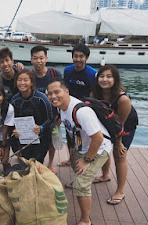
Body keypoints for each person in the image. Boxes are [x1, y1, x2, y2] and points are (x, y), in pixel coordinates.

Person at [47, 77, 112, 225]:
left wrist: (86, 160)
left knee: (80, 184)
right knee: (76, 166)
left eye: (57, 92)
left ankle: (85, 220)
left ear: (66, 91)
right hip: (83, 145)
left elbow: (98, 139)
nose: (53, 96)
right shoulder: (61, 107)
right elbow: (71, 128)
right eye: (49, 93)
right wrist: (72, 146)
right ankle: (84, 185)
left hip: (99, 148)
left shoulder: (82, 112)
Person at [90, 64, 138, 205]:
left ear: (115, 79)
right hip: (107, 123)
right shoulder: (95, 95)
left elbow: (120, 125)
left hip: (125, 126)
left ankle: (120, 191)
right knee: (104, 149)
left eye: (109, 76)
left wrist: (118, 142)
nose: (105, 79)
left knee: (119, 156)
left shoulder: (123, 99)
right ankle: (105, 175)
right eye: (102, 76)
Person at [60, 44, 97, 167]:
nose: (78, 59)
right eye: (75, 56)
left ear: (86, 58)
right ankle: (71, 159)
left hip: (85, 110)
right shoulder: (68, 70)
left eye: (81, 56)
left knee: (87, 138)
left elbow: (94, 94)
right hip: (70, 108)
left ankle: (91, 162)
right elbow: (65, 89)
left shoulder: (92, 74)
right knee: (70, 134)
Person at [31, 45, 63, 171]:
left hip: (53, 113)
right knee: (36, 138)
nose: (38, 61)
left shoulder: (55, 73)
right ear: (31, 60)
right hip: (35, 113)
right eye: (35, 58)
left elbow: (62, 94)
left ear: (46, 58)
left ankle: (50, 163)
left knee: (51, 140)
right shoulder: (30, 75)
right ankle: (34, 161)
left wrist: (60, 115)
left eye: (41, 58)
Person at [10, 69, 53, 164]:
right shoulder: (14, 100)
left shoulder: (41, 98)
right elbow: (11, 122)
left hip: (41, 137)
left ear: (31, 82)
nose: (22, 83)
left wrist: (41, 128)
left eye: (25, 80)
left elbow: (50, 119)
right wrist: (14, 131)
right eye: (19, 80)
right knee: (26, 163)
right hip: (23, 137)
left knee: (37, 163)